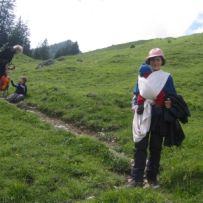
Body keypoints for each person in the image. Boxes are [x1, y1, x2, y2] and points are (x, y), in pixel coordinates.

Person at [129, 48, 178, 188]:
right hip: (143, 113)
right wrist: (133, 104)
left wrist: (170, 102)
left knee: (156, 147)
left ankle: (152, 178)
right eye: (152, 60)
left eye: (158, 59)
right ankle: (137, 179)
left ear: (161, 61)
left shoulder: (167, 77)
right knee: (140, 146)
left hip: (159, 115)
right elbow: (136, 93)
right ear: (149, 61)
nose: (155, 62)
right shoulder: (142, 76)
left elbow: (172, 95)